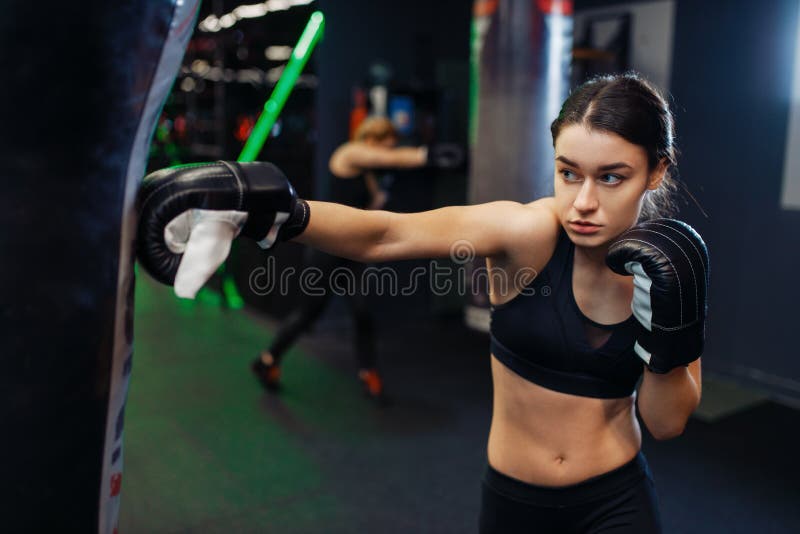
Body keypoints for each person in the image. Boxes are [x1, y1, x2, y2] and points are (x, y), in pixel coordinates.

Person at [137, 72, 708, 533]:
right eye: (568, 173)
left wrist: (669, 333)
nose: (583, 202)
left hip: (616, 497)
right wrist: (271, 209)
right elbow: (388, 234)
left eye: (612, 178)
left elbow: (665, 422)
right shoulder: (529, 233)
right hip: (516, 501)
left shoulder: (671, 268)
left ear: (655, 171)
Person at [251, 116, 465, 400]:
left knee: (363, 312)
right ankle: (268, 359)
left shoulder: (367, 173)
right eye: (385, 147)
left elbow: (371, 207)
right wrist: (428, 155)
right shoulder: (348, 153)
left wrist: (383, 195)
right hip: (326, 248)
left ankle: (368, 373)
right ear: (373, 140)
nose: (387, 153)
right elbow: (393, 158)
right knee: (308, 313)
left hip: (352, 251)